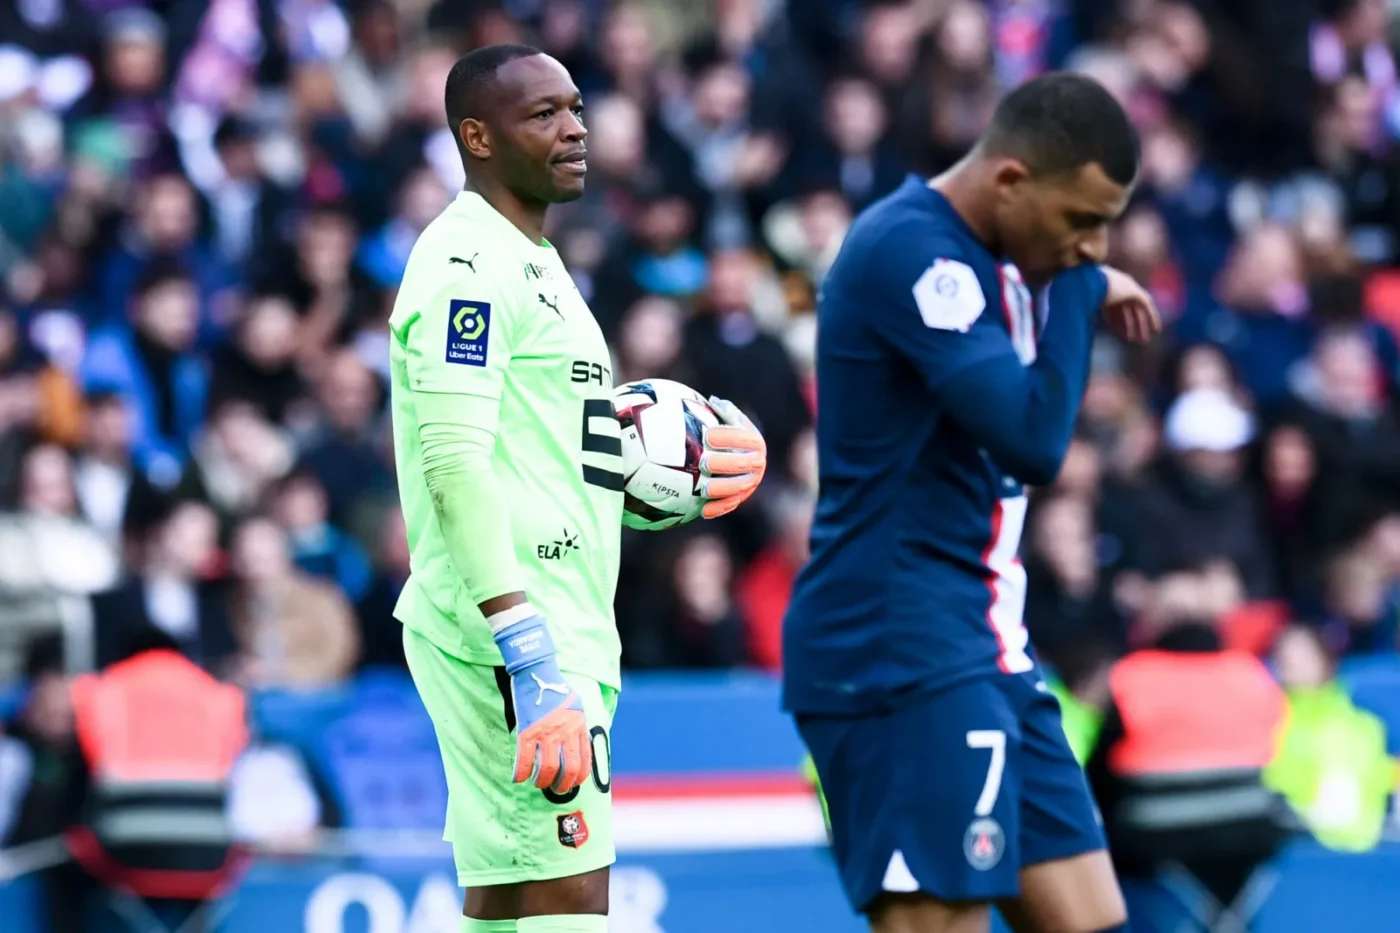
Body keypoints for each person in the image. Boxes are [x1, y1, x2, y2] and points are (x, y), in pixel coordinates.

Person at [387, 44, 766, 932]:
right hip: (513, 634)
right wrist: (526, 648)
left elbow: (541, 447)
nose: (575, 129)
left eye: (577, 108)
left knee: (515, 892)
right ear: (476, 137)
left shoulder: (539, 261)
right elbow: (454, 462)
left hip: (554, 623)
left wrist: (648, 479)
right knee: (570, 894)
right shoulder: (466, 267)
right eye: (544, 114)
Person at [782, 72, 1161, 933]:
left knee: (1092, 920)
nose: (1096, 247)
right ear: (1011, 181)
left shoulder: (999, 258)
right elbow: (1033, 436)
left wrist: (1066, 274)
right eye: (1082, 220)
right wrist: (1080, 295)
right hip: (898, 643)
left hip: (985, 641)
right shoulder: (913, 253)